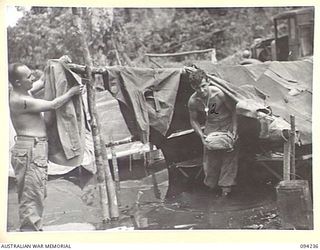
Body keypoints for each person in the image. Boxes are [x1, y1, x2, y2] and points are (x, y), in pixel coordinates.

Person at [8, 60, 83, 231]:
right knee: (31, 196)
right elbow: (53, 105)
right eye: (28, 77)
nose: (32, 78)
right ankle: (30, 235)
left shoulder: (22, 91)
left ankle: (33, 229)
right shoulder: (21, 100)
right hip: (31, 150)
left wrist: (53, 64)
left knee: (35, 193)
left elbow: (41, 81)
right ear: (18, 82)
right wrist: (72, 92)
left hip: (34, 148)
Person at [187, 68, 239, 197]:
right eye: (197, 88)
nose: (202, 91)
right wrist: (201, 136)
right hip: (211, 126)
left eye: (203, 86)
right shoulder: (193, 101)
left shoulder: (219, 94)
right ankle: (211, 186)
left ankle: (226, 188)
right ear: (193, 87)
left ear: (208, 82)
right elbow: (193, 121)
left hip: (227, 123)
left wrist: (234, 129)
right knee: (210, 155)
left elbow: (234, 111)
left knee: (230, 153)